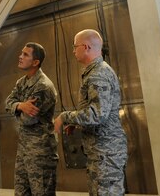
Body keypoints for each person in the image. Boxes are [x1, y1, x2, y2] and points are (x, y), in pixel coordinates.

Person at [54, 29, 127, 195]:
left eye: (75, 46)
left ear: (86, 47)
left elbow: (97, 115)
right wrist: (75, 122)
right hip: (100, 153)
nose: (73, 51)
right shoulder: (94, 72)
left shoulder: (98, 74)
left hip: (106, 153)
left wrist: (64, 117)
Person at [5, 42, 58, 196]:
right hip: (24, 151)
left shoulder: (42, 86)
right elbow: (7, 104)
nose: (20, 57)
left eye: (25, 55)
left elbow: (27, 120)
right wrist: (20, 105)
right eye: (21, 53)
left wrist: (16, 108)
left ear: (35, 62)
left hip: (41, 154)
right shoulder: (22, 83)